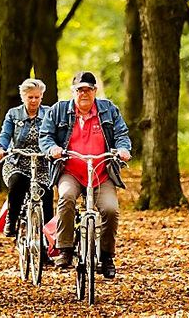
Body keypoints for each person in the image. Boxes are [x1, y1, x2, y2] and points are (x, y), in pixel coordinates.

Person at [39, 71, 132, 278]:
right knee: (66, 197)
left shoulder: (108, 110)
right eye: (80, 90)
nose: (84, 94)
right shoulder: (59, 111)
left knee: (110, 209)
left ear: (94, 91)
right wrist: (52, 148)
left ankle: (107, 257)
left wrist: (124, 150)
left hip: (101, 171)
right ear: (73, 92)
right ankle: (65, 248)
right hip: (71, 170)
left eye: (88, 90)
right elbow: (45, 135)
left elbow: (121, 134)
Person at [0, 78, 54, 251]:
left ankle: (48, 244)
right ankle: (11, 221)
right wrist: (1, 149)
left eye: (37, 97)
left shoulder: (49, 114)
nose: (34, 100)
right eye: (30, 97)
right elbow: (5, 134)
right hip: (18, 160)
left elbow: (55, 135)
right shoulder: (14, 114)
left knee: (47, 195)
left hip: (42, 162)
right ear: (23, 97)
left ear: (42, 97)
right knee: (17, 182)